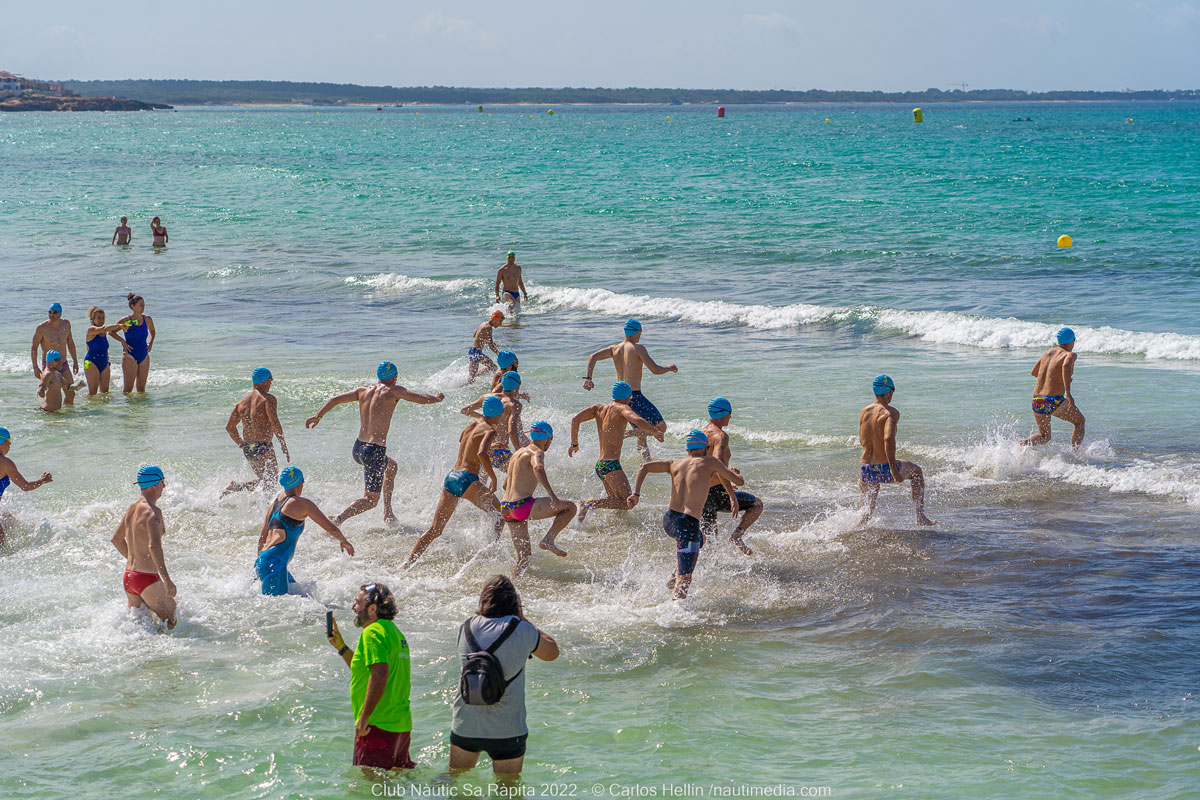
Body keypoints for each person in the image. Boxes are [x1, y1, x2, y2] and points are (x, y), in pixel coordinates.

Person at [306, 361, 444, 525]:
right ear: (393, 376)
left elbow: (334, 399)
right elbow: (421, 399)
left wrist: (318, 416)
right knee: (370, 500)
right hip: (374, 452)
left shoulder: (362, 390)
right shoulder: (394, 391)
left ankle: (388, 513)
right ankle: (338, 519)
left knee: (391, 467)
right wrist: (436, 398)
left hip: (358, 448)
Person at [450, 575, 559, 779]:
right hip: (507, 729)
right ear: (514, 602)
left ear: (483, 600)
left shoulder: (465, 627)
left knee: (456, 784)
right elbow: (552, 652)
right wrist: (523, 618)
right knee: (507, 791)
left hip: (466, 724)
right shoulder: (522, 629)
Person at [630, 430, 746, 600]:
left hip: (670, 520)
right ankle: (674, 613)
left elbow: (643, 467)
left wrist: (636, 494)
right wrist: (735, 472)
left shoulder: (674, 464)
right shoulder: (710, 462)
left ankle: (672, 578)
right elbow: (739, 482)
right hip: (687, 525)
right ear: (706, 447)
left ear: (688, 449)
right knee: (686, 579)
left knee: (701, 538)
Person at [404, 396, 506, 570]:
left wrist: (491, 446)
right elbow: (481, 453)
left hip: (452, 477)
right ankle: (489, 552)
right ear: (498, 414)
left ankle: (408, 562)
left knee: (435, 529)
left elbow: (466, 442)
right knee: (500, 514)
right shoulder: (490, 431)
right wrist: (494, 478)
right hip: (468, 479)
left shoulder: (472, 423)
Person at [325, 583, 415, 771]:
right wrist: (341, 647)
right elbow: (366, 671)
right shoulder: (395, 632)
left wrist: (364, 718)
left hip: (377, 727)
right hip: (401, 727)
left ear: (372, 609)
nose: (353, 608)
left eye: (357, 603)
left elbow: (380, 674)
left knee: (366, 790)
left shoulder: (371, 633)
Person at [568, 381, 662, 524]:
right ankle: (588, 504)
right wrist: (655, 431)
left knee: (615, 503)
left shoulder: (598, 409)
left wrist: (574, 444)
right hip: (611, 465)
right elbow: (636, 419)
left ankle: (610, 525)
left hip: (600, 465)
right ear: (628, 397)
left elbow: (575, 420)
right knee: (627, 502)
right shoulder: (622, 408)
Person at [582, 318, 677, 457]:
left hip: (619, 396)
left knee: (641, 436)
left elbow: (592, 356)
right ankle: (624, 434)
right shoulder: (638, 349)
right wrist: (669, 368)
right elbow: (655, 370)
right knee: (661, 428)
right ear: (638, 332)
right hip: (634, 396)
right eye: (640, 332)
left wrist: (589, 378)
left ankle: (646, 465)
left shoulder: (614, 349)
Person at [255, 467, 354, 595]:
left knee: (300, 595)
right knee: (282, 609)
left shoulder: (275, 504)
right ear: (299, 482)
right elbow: (330, 527)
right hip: (275, 565)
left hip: (263, 561)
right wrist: (344, 541)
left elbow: (262, 537)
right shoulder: (302, 504)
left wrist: (258, 567)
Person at [857, 375, 936, 527]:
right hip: (885, 468)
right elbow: (888, 440)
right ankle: (920, 516)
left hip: (866, 468)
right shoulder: (890, 413)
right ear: (888, 392)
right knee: (916, 472)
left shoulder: (864, 411)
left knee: (865, 516)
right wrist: (893, 469)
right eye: (892, 392)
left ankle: (853, 533)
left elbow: (863, 440)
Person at [500, 421, 577, 565]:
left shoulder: (516, 454)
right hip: (521, 506)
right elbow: (538, 468)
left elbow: (505, 485)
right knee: (571, 507)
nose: (550, 443)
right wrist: (552, 496)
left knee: (523, 558)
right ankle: (548, 539)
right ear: (548, 438)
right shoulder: (536, 452)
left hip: (506, 508)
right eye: (551, 440)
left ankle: (514, 583)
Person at [111, 465, 177, 629]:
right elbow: (154, 546)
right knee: (173, 621)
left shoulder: (132, 508)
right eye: (163, 482)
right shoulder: (153, 513)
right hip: (147, 579)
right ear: (155, 484)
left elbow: (116, 539)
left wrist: (136, 562)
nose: (164, 486)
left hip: (129, 578)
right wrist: (167, 581)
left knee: (146, 630)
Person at [700, 397, 762, 556]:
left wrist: (726, 474)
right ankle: (737, 535)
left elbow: (703, 465)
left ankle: (681, 574)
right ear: (723, 414)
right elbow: (717, 464)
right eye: (730, 413)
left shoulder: (700, 433)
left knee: (710, 543)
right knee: (757, 504)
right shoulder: (720, 436)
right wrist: (731, 494)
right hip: (715, 493)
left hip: (700, 494)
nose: (730, 417)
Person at [222, 367, 290, 495]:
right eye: (271, 379)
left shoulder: (242, 403)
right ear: (264, 381)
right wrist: (283, 444)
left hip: (249, 448)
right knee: (270, 482)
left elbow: (229, 427)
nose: (271, 382)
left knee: (266, 481)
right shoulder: (268, 399)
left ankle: (237, 488)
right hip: (263, 446)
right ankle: (237, 488)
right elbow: (274, 422)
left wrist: (241, 444)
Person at [1021, 327, 1085, 448]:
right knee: (1080, 422)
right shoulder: (1070, 354)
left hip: (1037, 401)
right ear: (1072, 341)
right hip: (1053, 400)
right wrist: (1068, 392)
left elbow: (1034, 372)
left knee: (1044, 436)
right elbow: (1066, 365)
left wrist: (1054, 378)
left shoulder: (1048, 353)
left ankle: (1021, 444)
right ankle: (1076, 455)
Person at [0, 427, 53, 549]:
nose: (10, 445)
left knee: (7, 517)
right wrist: (43, 481)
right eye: (9, 441)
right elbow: (25, 486)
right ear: (2, 442)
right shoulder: (4, 462)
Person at [461, 370, 524, 472]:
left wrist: (483, 418)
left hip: (484, 450)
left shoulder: (487, 398)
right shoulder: (514, 405)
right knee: (519, 475)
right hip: (500, 452)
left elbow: (465, 410)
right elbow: (511, 432)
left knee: (482, 483)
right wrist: (519, 451)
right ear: (516, 386)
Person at [82, 306, 129, 397]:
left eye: (103, 318)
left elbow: (102, 345)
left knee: (105, 393)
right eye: (99, 318)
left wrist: (107, 355)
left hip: (104, 363)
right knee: (93, 393)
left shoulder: (104, 333)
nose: (101, 320)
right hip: (90, 362)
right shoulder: (91, 330)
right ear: (93, 319)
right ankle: (90, 410)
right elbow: (104, 328)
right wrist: (119, 326)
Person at [31, 302, 79, 385]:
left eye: (54, 312)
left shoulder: (66, 324)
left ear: (60, 314)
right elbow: (34, 347)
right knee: (53, 394)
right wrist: (35, 367)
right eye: (50, 312)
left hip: (63, 363)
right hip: (50, 366)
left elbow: (70, 343)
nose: (51, 315)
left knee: (71, 393)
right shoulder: (42, 328)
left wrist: (75, 361)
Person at [117, 293, 156, 394]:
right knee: (128, 390)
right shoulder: (127, 321)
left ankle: (141, 410)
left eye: (144, 305)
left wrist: (150, 343)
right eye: (140, 305)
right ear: (132, 306)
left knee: (141, 390)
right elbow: (112, 331)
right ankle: (127, 409)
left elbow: (152, 331)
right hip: (130, 355)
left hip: (144, 355)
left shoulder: (147, 319)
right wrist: (123, 341)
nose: (143, 307)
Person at [468, 311, 504, 384]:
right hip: (476, 352)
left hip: (473, 351)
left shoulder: (483, 324)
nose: (500, 324)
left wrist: (488, 341)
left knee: (471, 378)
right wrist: (499, 354)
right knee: (493, 367)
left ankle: (474, 376)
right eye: (500, 321)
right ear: (495, 319)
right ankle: (473, 377)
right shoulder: (488, 328)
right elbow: (490, 346)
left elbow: (475, 335)